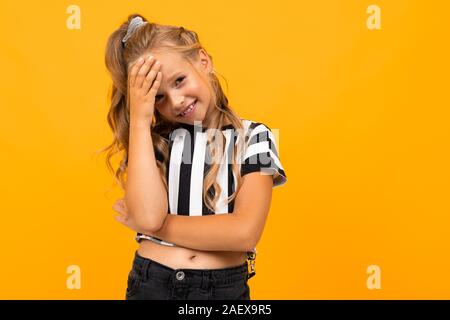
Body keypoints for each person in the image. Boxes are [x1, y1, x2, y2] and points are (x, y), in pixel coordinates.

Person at [102, 14, 287, 300]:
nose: (176, 101)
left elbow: (244, 233)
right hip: (152, 284)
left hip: (222, 290)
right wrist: (139, 120)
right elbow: (149, 216)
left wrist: (159, 226)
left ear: (204, 61)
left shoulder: (257, 137)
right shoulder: (153, 142)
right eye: (158, 97)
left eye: (179, 80)